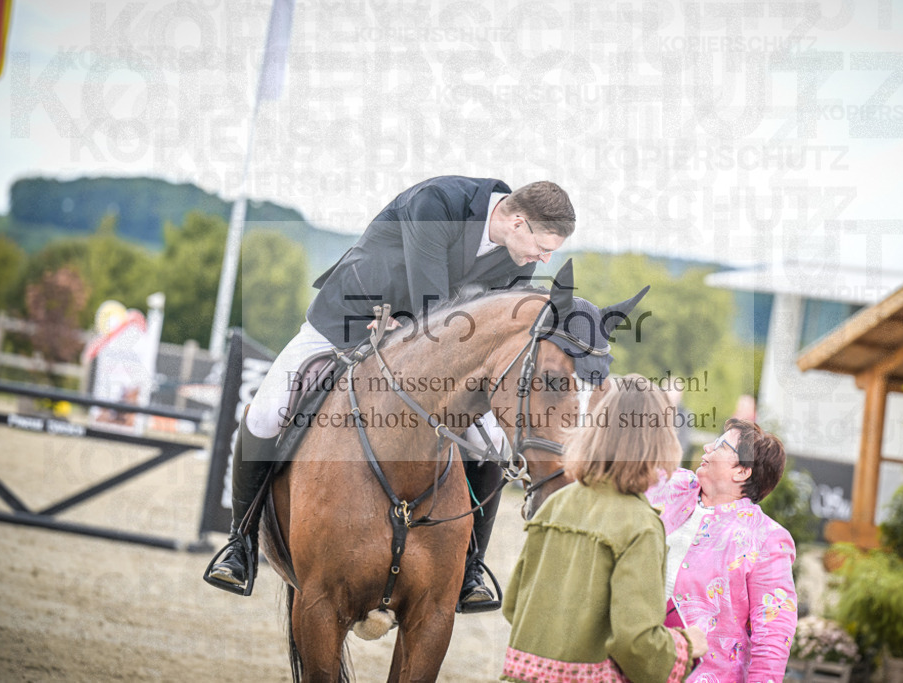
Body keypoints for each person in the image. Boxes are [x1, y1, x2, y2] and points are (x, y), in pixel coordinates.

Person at [206, 175, 576, 610]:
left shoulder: (519, 257)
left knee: (491, 444)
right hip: (349, 319)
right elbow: (434, 299)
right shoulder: (438, 202)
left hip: (428, 348)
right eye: (544, 246)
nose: (546, 257)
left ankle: (471, 565)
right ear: (517, 221)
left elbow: (484, 327)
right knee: (266, 413)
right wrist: (416, 333)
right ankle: (240, 542)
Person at [502, 377, 708, 683]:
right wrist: (686, 645)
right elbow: (635, 641)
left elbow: (513, 605)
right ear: (658, 441)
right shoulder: (641, 525)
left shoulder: (555, 505)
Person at [646, 418, 797, 682]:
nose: (706, 448)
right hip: (629, 663)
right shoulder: (674, 484)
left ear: (741, 471)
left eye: (720, 446)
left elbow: (773, 637)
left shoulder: (766, 539)